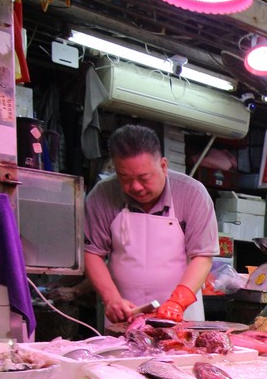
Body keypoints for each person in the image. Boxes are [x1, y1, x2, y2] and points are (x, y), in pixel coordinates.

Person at [84, 124, 219, 326]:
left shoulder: (192, 194)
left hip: (182, 316)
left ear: (163, 166)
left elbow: (202, 256)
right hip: (125, 316)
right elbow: (92, 253)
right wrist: (110, 298)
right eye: (125, 178)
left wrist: (177, 303)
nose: (136, 187)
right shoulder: (103, 194)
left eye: (144, 178)